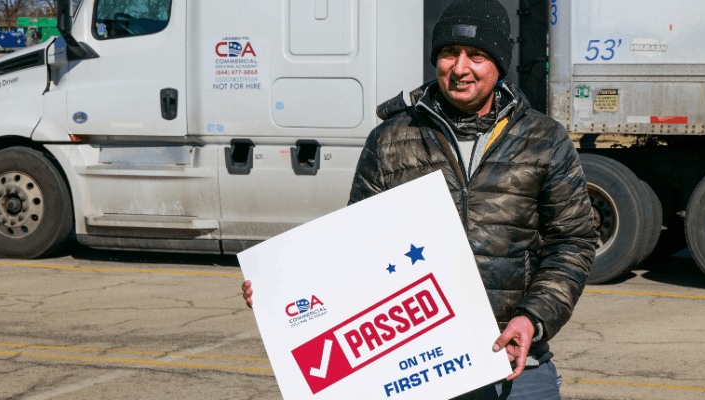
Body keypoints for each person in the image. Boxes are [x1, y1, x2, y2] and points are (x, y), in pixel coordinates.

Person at [242, 0, 596, 398]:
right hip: (420, 365)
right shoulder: (391, 139)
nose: (460, 69)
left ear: (499, 65)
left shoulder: (544, 139)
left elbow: (573, 242)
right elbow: (356, 247)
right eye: (449, 54)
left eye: (476, 56)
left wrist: (533, 319)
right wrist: (285, 290)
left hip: (514, 360)